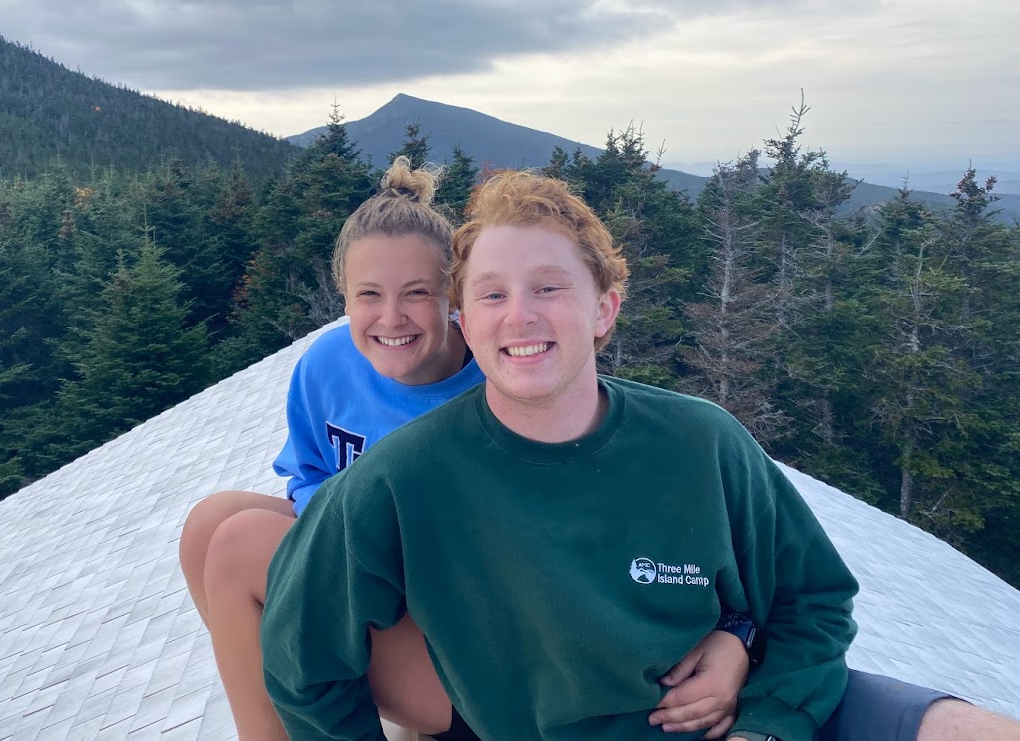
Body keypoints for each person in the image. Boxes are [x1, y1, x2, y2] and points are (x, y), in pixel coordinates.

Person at [260, 170, 1020, 741]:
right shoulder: (400, 481)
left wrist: (764, 715)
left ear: (604, 308)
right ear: (465, 317)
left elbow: (812, 600)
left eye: (548, 287)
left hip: (758, 710)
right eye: (492, 294)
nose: (519, 315)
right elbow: (304, 664)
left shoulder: (701, 440)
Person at [179, 158, 751, 740]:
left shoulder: (503, 386)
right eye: (369, 294)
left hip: (474, 633)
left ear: (453, 300)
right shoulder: (326, 366)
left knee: (239, 545)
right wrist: (354, 542)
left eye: (417, 293)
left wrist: (735, 631)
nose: (391, 318)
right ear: (344, 297)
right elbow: (308, 476)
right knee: (211, 521)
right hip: (384, 579)